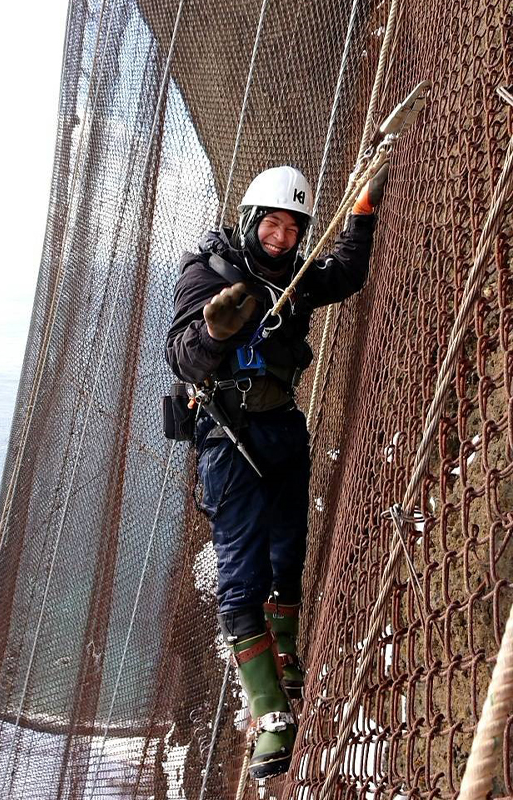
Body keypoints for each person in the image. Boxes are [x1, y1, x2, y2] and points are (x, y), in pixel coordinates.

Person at [165, 164, 386, 779]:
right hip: (228, 437)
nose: (282, 238)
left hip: (284, 428)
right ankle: (267, 714)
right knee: (242, 570)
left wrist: (362, 211)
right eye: (273, 224)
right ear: (251, 220)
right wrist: (213, 329)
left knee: (289, 553)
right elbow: (180, 353)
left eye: (293, 228)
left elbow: (343, 274)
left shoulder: (295, 277)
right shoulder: (208, 272)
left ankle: (285, 664)